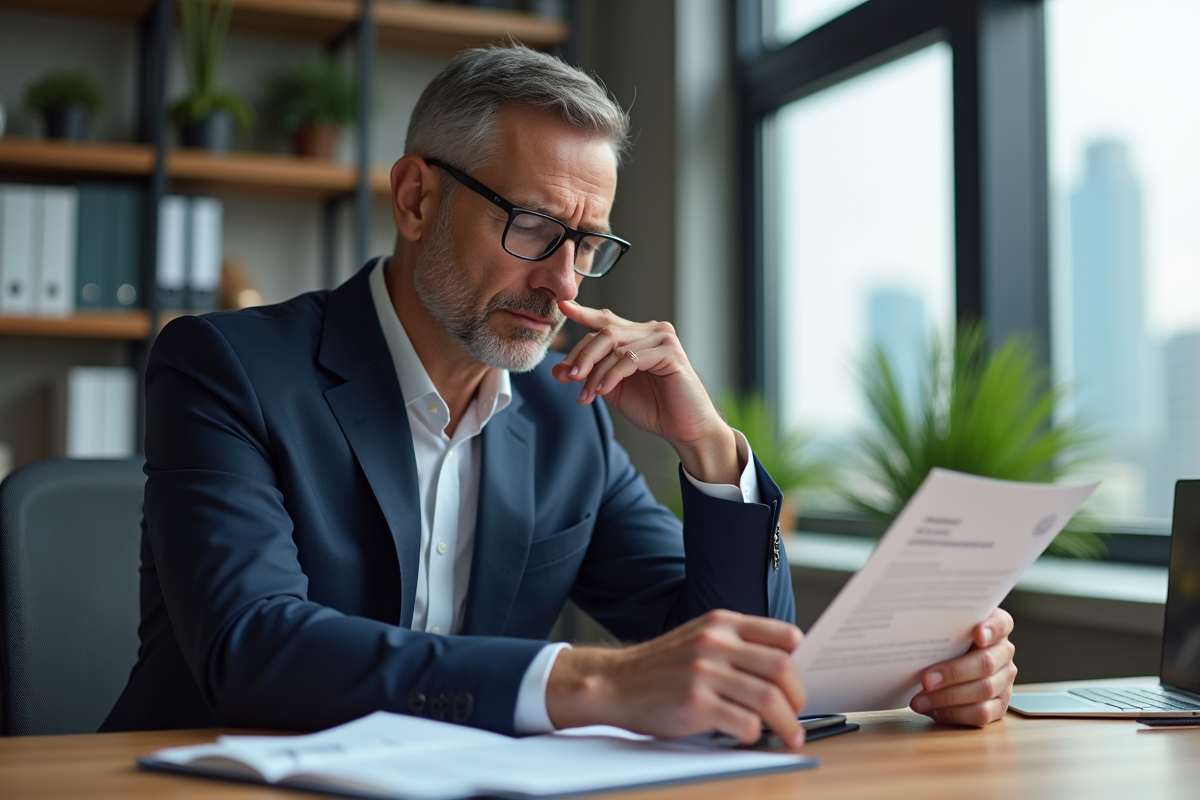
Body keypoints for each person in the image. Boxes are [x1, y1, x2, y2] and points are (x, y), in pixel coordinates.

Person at [103, 44, 1017, 744]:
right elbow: (253, 648)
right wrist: (591, 682)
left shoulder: (560, 415)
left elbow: (714, 650)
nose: (565, 285)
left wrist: (709, 455)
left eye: (590, 243)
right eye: (536, 226)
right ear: (418, 200)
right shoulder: (225, 366)